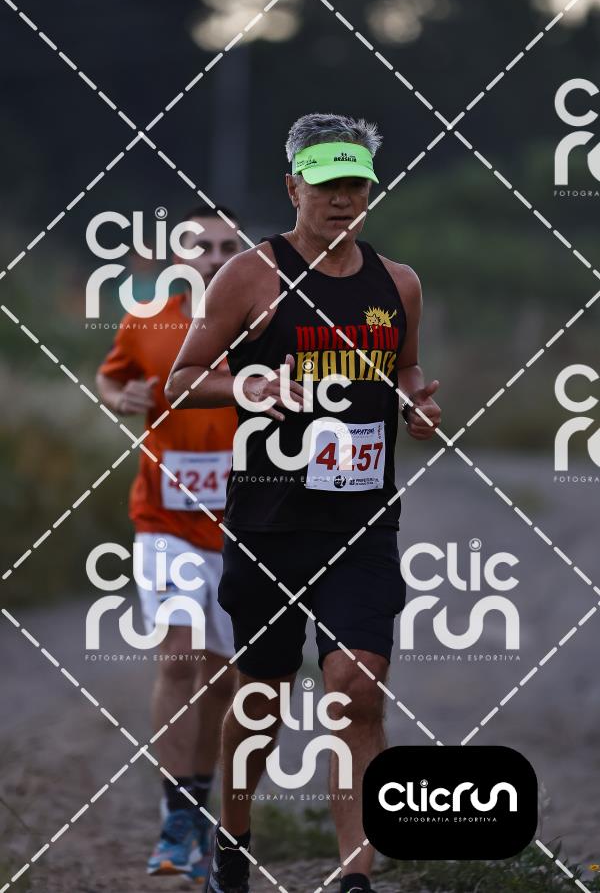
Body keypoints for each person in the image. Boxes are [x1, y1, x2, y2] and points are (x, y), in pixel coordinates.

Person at [165, 114, 441, 893]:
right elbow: (181, 380)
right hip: (268, 522)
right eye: (326, 186)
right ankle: (233, 839)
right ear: (293, 187)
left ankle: (355, 874)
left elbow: (406, 371)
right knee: (263, 696)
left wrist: (416, 406)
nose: (342, 199)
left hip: (361, 522)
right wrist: (245, 384)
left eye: (355, 185)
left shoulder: (400, 283)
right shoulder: (249, 276)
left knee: (358, 688)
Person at [96, 204, 243, 883]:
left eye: (228, 247)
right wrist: (118, 397)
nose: (214, 258)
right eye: (201, 246)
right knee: (178, 657)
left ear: (243, 256)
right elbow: (113, 375)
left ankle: (199, 798)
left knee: (223, 678)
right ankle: (177, 819)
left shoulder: (264, 323)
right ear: (178, 257)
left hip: (243, 527)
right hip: (164, 519)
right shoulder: (147, 320)